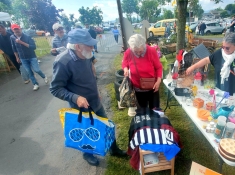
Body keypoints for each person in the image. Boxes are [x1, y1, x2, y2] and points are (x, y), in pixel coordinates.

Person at [50, 29, 126, 166]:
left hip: (94, 100)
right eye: (89, 45)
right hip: (80, 106)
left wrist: (96, 90)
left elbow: (91, 67)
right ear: (77, 46)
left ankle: (114, 149)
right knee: (86, 131)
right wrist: (75, 97)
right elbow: (55, 89)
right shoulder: (63, 62)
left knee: (106, 125)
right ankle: (87, 154)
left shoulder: (87, 54)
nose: (92, 47)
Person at [186, 32, 235, 98]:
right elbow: (206, 60)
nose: (224, 50)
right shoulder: (220, 53)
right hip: (220, 90)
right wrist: (193, 67)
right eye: (223, 47)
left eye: (227, 48)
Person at [122, 34, 163, 109]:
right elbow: (124, 63)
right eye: (135, 51)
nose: (138, 53)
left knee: (155, 110)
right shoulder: (128, 52)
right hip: (138, 89)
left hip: (152, 87)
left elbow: (159, 67)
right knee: (142, 111)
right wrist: (125, 69)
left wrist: (159, 81)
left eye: (140, 51)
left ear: (144, 45)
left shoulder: (151, 51)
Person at [10, 24, 48, 91]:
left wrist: (21, 42)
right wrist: (17, 57)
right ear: (13, 31)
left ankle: (44, 77)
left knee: (37, 70)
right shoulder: (12, 37)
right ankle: (35, 84)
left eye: (17, 29)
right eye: (15, 30)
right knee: (29, 72)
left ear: (20, 29)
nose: (17, 31)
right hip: (22, 58)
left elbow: (33, 47)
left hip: (31, 56)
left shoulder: (27, 37)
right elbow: (14, 48)